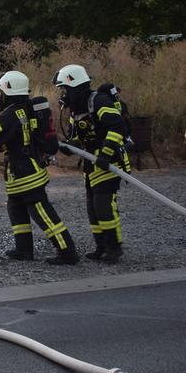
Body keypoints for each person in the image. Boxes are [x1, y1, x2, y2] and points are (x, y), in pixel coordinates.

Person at [0, 70, 79, 265]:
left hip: (25, 172)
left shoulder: (9, 115)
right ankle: (23, 250)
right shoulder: (26, 109)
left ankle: (67, 251)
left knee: (41, 211)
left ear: (9, 91)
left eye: (1, 92)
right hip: (22, 169)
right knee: (16, 208)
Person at [53, 64, 132, 263]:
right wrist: (70, 146)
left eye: (65, 90)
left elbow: (118, 127)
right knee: (93, 207)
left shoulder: (98, 101)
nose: (63, 95)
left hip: (109, 161)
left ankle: (114, 248)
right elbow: (77, 136)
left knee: (103, 205)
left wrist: (106, 153)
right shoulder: (77, 109)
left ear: (75, 87)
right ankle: (101, 247)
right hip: (91, 163)